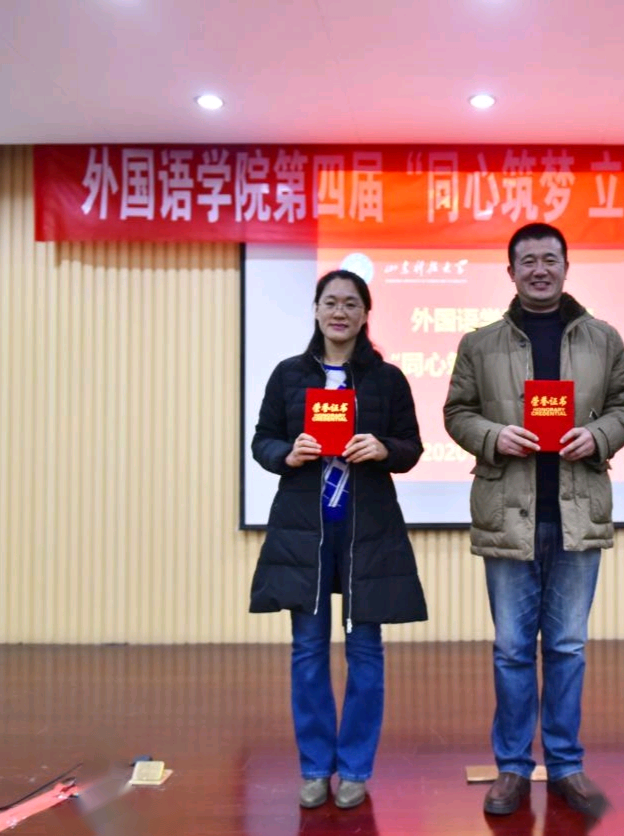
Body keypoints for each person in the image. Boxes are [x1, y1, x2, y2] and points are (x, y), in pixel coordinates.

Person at [443, 222, 624, 817]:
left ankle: (566, 764)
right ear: (510, 272)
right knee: (511, 650)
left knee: (567, 648)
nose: (539, 269)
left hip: (577, 515)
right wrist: (493, 436)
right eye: (527, 260)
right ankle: (511, 768)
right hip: (510, 517)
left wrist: (599, 435)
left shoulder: (603, 338)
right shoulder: (480, 344)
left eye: (549, 259)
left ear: (565, 267)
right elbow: (457, 412)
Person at [250, 269, 428, 810]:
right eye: (331, 302)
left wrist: (384, 449)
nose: (340, 312)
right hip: (305, 533)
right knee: (307, 652)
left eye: (351, 303)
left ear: (365, 314)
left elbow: (411, 446)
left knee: (365, 653)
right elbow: (262, 441)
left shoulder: (387, 379)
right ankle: (314, 768)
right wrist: (287, 453)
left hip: (365, 532)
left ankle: (353, 769)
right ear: (316, 310)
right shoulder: (288, 375)